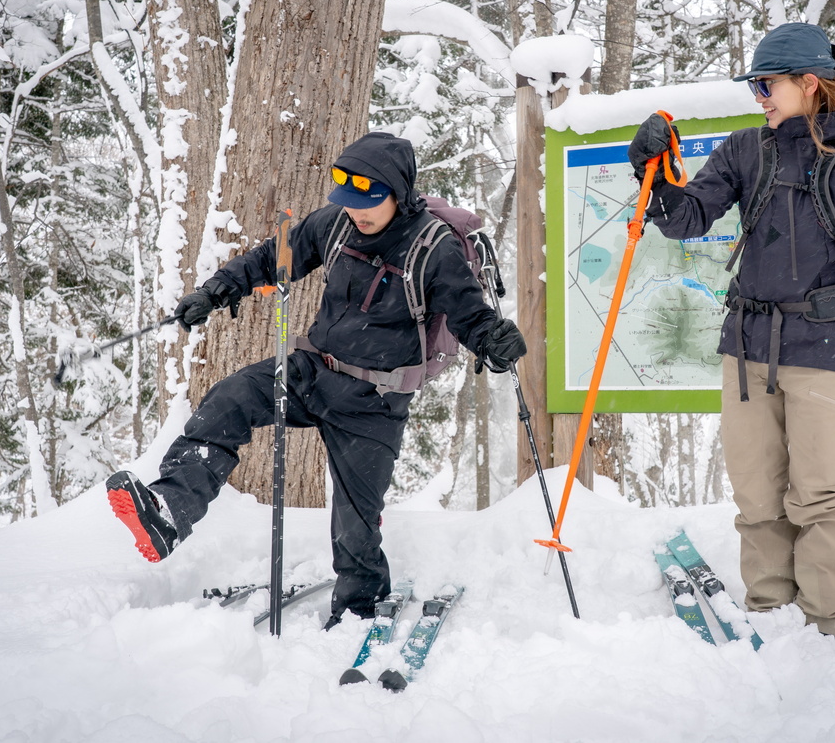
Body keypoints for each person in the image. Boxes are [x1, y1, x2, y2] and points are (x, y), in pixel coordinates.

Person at [105, 132, 526, 627]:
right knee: (231, 398)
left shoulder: (433, 249)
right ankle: (169, 511)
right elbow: (272, 257)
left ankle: (356, 612)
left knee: (355, 527)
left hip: (375, 402)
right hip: (314, 372)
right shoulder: (336, 225)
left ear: (399, 192)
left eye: (370, 202)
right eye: (350, 202)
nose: (358, 213)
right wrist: (217, 290)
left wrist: (494, 341)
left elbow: (469, 315)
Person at [628, 22, 835, 636]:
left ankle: (828, 624)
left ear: (810, 84)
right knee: (756, 497)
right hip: (748, 347)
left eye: (766, 84)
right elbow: (687, 219)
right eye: (754, 85)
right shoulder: (744, 149)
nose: (758, 95)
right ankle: (769, 615)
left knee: (816, 496)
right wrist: (651, 171)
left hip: (828, 351)